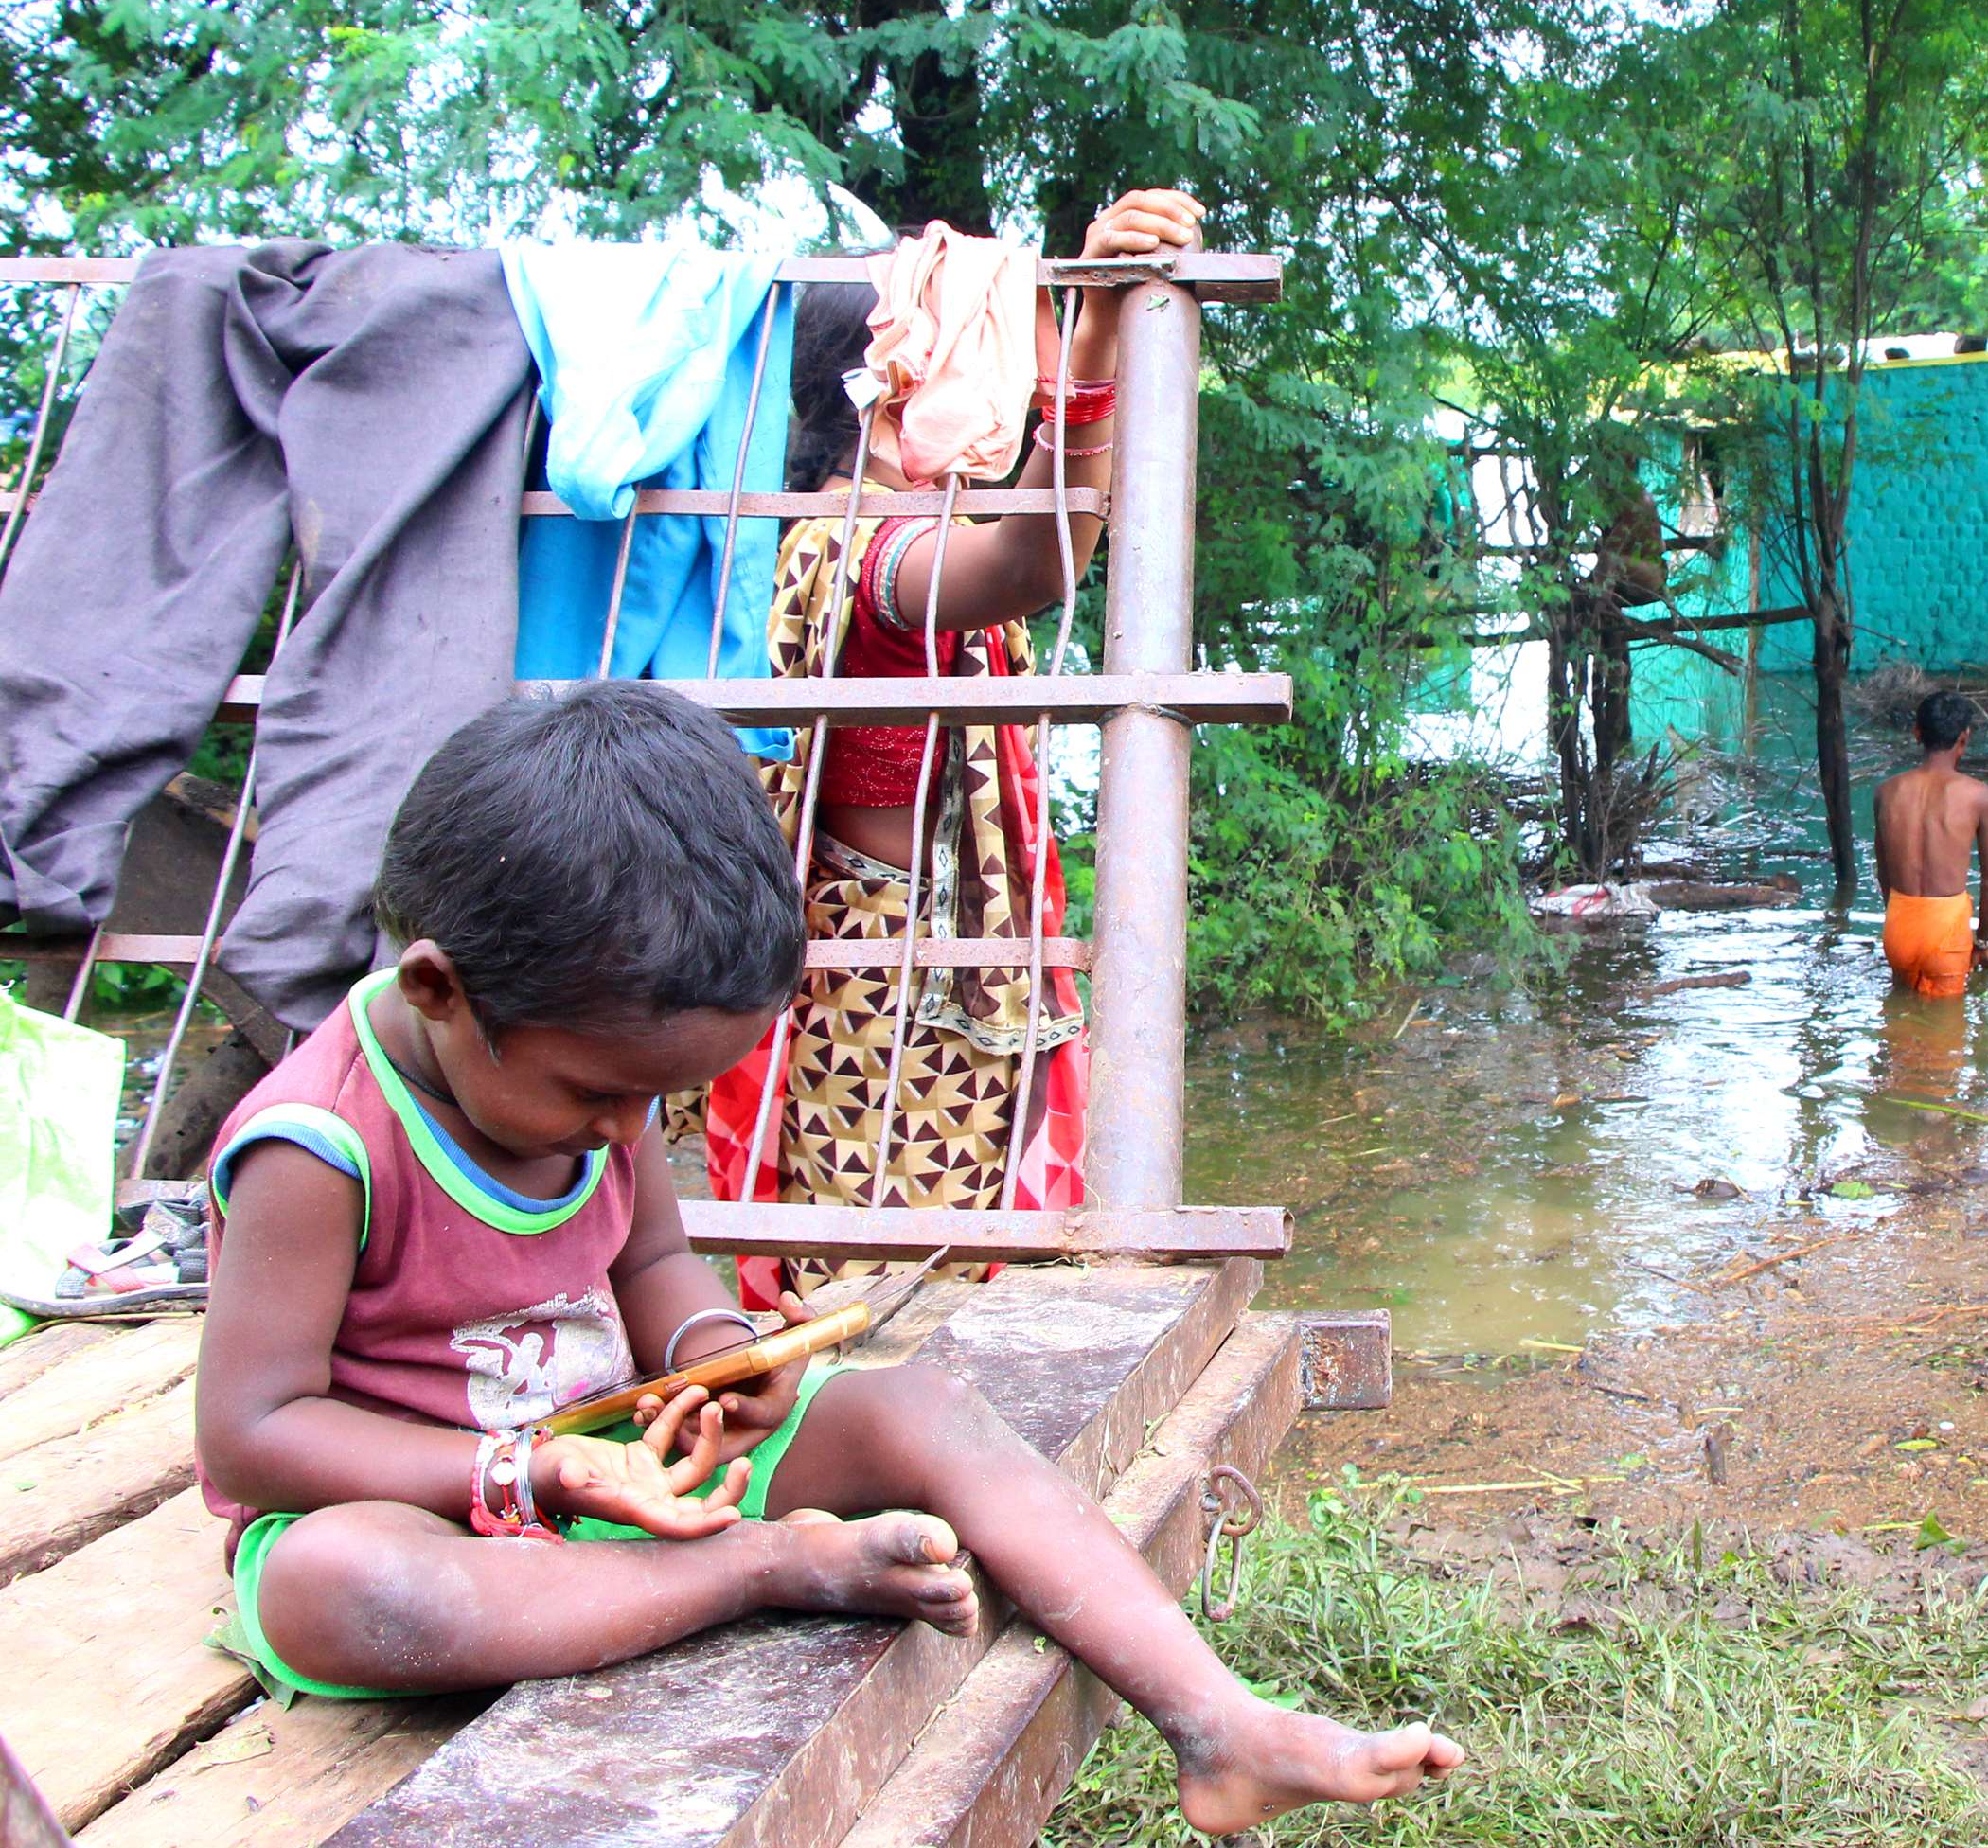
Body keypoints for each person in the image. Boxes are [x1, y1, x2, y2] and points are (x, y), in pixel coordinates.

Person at [194, 683, 1461, 1834]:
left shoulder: (600, 1089)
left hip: (643, 1478)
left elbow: (649, 1263)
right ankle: (765, 1569)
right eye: (596, 1097)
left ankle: (1217, 1723)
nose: (623, 1131)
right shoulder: (318, 1150)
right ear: (438, 989)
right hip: (434, 1514)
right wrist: (536, 1471)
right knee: (335, 1580)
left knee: (920, 1407)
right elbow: (252, 1433)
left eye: (654, 1102)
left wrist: (714, 1353)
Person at [691, 191, 1206, 1269]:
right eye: (991, 348)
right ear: (898, 381)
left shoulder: (858, 533)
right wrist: (1099, 339)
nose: (1011, 384)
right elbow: (1031, 558)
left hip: (913, 988)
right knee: (895, 1294)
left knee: (920, 1278)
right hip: (891, 1009)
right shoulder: (851, 552)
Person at [1873, 689, 1988, 997]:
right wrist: (1982, 943)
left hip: (1899, 924)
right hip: (1946, 932)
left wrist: (1902, 921)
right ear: (1964, 737)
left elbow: (1884, 875)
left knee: (1898, 1027)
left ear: (1917, 733)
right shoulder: (1978, 795)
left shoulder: (1886, 792)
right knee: (1944, 1035)